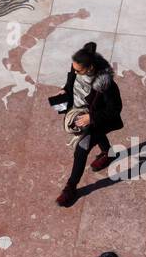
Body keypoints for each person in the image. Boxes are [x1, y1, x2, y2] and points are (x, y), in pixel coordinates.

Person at [52, 42, 123, 207]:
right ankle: (108, 153)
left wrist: (91, 118)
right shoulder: (77, 67)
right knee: (95, 136)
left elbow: (115, 109)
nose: (75, 71)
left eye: (79, 70)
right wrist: (65, 90)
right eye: (74, 68)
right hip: (80, 112)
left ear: (90, 68)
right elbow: (71, 79)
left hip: (97, 119)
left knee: (81, 150)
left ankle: (70, 188)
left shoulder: (106, 86)